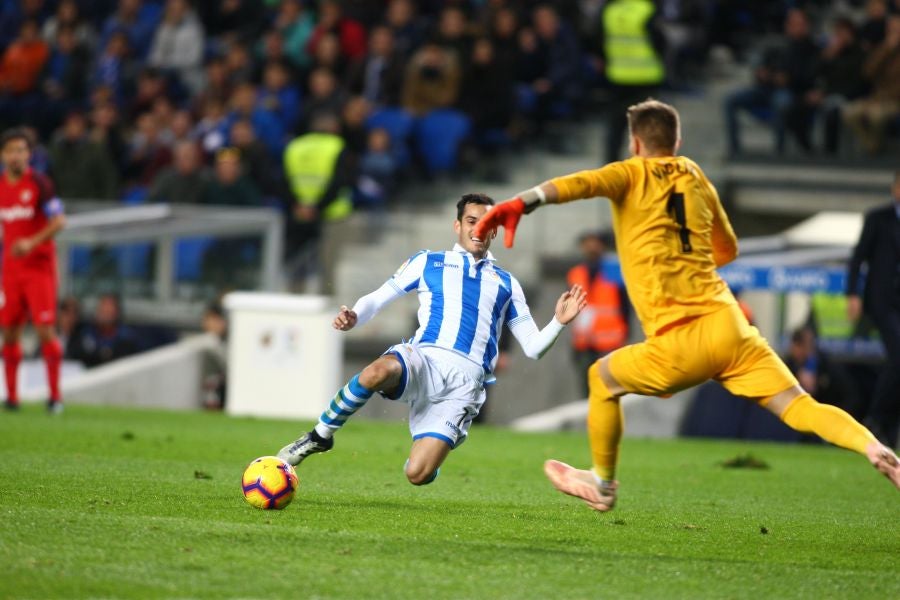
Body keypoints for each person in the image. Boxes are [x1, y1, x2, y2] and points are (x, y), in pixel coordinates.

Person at [473, 99, 900, 511]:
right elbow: (728, 249)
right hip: (730, 327)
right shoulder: (695, 176)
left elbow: (579, 183)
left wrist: (520, 203)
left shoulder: (631, 173)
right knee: (800, 405)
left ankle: (602, 482)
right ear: (675, 144)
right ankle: (873, 447)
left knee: (601, 379)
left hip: (680, 339)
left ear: (636, 143)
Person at [277, 193, 587, 485]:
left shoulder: (508, 284)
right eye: (471, 220)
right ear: (458, 226)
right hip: (423, 359)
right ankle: (319, 436)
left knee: (418, 474)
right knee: (376, 372)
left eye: (488, 222)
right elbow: (378, 298)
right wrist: (356, 315)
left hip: (463, 386)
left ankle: (430, 453)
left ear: (495, 230)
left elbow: (533, 348)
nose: (479, 228)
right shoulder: (428, 262)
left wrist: (558, 322)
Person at [0, 128, 66, 413]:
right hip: (11, 271)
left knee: (44, 330)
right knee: (9, 333)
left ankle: (55, 397)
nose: (16, 155)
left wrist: (31, 242)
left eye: (21, 150)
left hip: (39, 269)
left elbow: (59, 221)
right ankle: (12, 397)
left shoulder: (41, 184)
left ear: (29, 154)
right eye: (11, 150)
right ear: (3, 155)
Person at [847, 171, 900, 448]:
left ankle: (886, 425)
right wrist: (852, 294)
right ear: (894, 188)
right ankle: (876, 417)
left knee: (896, 363)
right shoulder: (878, 218)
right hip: (882, 302)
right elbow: (858, 258)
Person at [566, 230, 629, 398]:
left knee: (609, 388)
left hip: (610, 340)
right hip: (584, 342)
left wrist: (625, 332)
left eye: (595, 243)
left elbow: (625, 304)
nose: (591, 247)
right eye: (587, 243)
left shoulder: (613, 270)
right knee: (586, 388)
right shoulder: (575, 273)